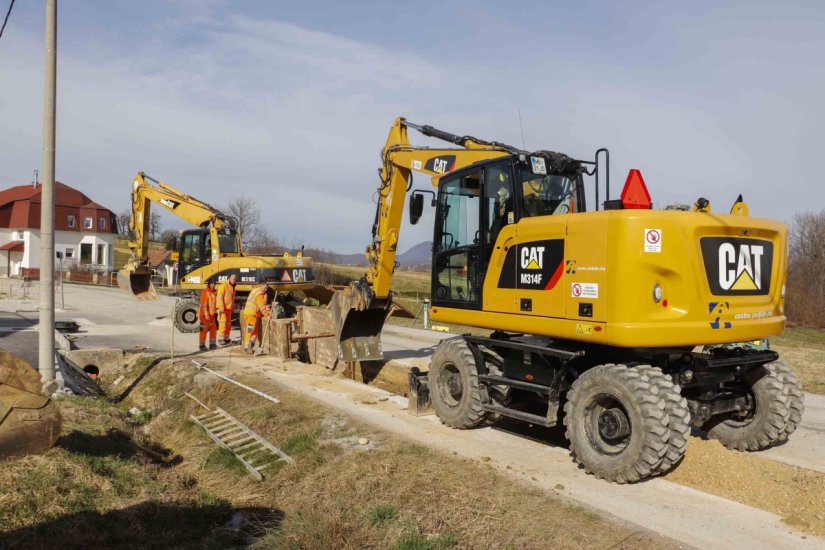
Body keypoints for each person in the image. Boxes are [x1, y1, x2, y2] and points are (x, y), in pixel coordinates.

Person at [242, 280, 271, 354]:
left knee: (255, 330)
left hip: (249, 314)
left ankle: (251, 342)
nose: (266, 288)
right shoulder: (258, 294)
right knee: (250, 330)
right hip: (251, 314)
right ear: (261, 285)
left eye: (266, 287)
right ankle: (246, 347)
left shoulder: (256, 291)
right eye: (265, 287)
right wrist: (267, 315)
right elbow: (261, 307)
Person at [216, 273, 237, 345]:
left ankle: (226, 338)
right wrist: (221, 307)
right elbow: (220, 296)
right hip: (223, 308)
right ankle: (221, 338)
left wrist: (232, 308)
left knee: (228, 324)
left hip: (228, 308)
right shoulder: (224, 285)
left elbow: (232, 299)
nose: (234, 280)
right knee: (222, 323)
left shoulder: (233, 287)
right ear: (229, 278)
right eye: (233, 279)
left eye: (235, 279)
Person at [198, 280, 218, 351]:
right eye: (212, 283)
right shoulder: (205, 292)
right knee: (203, 331)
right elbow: (204, 306)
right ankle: (202, 345)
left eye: (214, 283)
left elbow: (213, 304)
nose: (213, 285)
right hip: (204, 315)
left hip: (211, 315)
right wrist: (206, 314)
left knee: (213, 329)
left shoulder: (213, 292)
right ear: (209, 284)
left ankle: (212, 344)